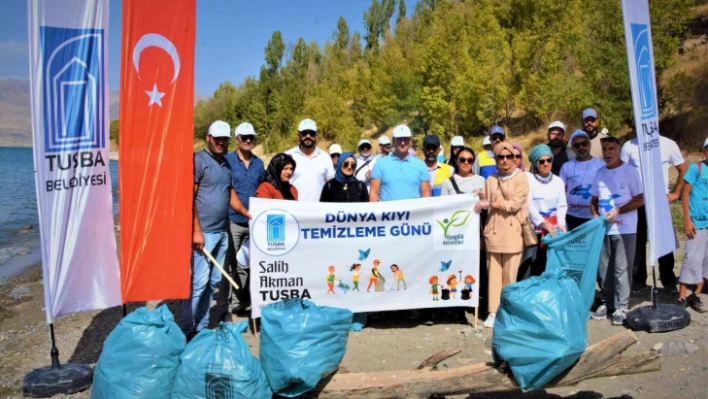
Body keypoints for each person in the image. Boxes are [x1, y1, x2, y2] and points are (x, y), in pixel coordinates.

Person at [181, 120, 250, 339]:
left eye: (224, 139)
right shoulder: (199, 161)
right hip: (204, 235)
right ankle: (185, 330)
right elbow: (188, 198)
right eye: (217, 138)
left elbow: (230, 196)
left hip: (222, 232)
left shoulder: (226, 165)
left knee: (213, 283)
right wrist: (196, 231)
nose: (221, 142)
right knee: (198, 283)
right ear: (208, 138)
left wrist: (248, 214)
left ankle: (200, 327)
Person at [621, 134, 687, 293]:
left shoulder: (668, 143)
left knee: (663, 240)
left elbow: (683, 169)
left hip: (659, 201)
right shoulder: (629, 146)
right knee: (638, 240)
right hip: (637, 201)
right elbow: (621, 172)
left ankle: (668, 280)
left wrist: (676, 193)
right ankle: (638, 279)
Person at [474, 142, 529, 328]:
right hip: (493, 231)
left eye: (508, 157)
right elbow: (487, 202)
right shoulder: (490, 179)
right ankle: (492, 311)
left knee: (510, 275)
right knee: (493, 275)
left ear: (514, 158)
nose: (505, 160)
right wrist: (480, 196)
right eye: (500, 157)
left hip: (513, 231)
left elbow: (514, 203)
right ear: (496, 159)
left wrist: (492, 203)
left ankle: (508, 312)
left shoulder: (521, 178)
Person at [590, 136, 644, 326]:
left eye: (611, 148)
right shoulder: (599, 173)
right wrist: (596, 217)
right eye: (604, 149)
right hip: (604, 230)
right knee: (604, 268)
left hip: (625, 228)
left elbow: (640, 199)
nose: (607, 153)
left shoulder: (630, 171)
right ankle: (607, 302)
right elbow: (594, 201)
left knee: (622, 268)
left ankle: (622, 306)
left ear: (619, 150)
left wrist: (619, 210)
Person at [215, 122, 265, 321]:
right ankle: (224, 308)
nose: (248, 140)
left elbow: (263, 191)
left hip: (254, 223)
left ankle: (240, 302)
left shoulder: (259, 164)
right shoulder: (225, 161)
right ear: (236, 139)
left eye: (251, 137)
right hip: (232, 221)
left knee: (247, 264)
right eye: (244, 137)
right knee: (228, 264)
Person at [523, 145, 567, 278]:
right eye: (541, 161)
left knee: (550, 265)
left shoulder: (558, 181)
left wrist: (561, 224)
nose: (546, 163)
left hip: (553, 230)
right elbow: (529, 204)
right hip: (535, 230)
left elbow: (562, 205)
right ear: (536, 163)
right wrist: (543, 223)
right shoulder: (528, 180)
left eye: (549, 160)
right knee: (533, 265)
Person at [676, 138, 708, 312]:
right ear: (704, 150)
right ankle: (681, 297)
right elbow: (685, 195)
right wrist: (688, 220)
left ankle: (695, 295)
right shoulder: (697, 168)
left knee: (705, 262)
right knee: (691, 260)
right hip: (697, 223)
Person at [370, 125, 431, 201]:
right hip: (388, 212)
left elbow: (426, 194)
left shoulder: (421, 165)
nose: (402, 142)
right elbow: (373, 193)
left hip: (414, 212)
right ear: (393, 141)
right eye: (399, 139)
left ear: (410, 141)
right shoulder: (380, 164)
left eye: (406, 139)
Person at [560, 130, 605, 230]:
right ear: (572, 148)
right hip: (572, 217)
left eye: (584, 144)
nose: (581, 147)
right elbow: (562, 191)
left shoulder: (601, 164)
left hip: (595, 216)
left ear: (589, 145)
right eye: (577, 145)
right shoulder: (566, 166)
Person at [286, 118, 335, 202]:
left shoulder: (325, 157)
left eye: (311, 133)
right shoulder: (288, 156)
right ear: (298, 136)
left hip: (318, 211)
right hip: (293, 209)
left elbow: (331, 186)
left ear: (316, 136)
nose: (308, 136)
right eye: (304, 133)